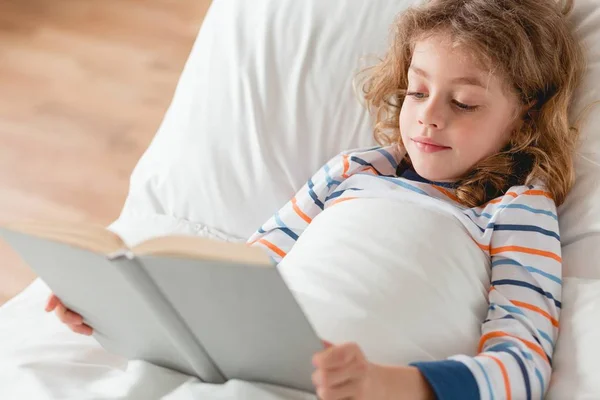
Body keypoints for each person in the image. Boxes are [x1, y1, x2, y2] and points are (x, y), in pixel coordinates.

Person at [46, 0, 585, 398]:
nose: (429, 115)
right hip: (256, 368)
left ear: (524, 119)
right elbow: (240, 278)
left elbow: (522, 364)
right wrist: (118, 314)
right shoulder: (354, 172)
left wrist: (390, 384)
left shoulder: (516, 210)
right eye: (417, 91)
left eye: (464, 102)